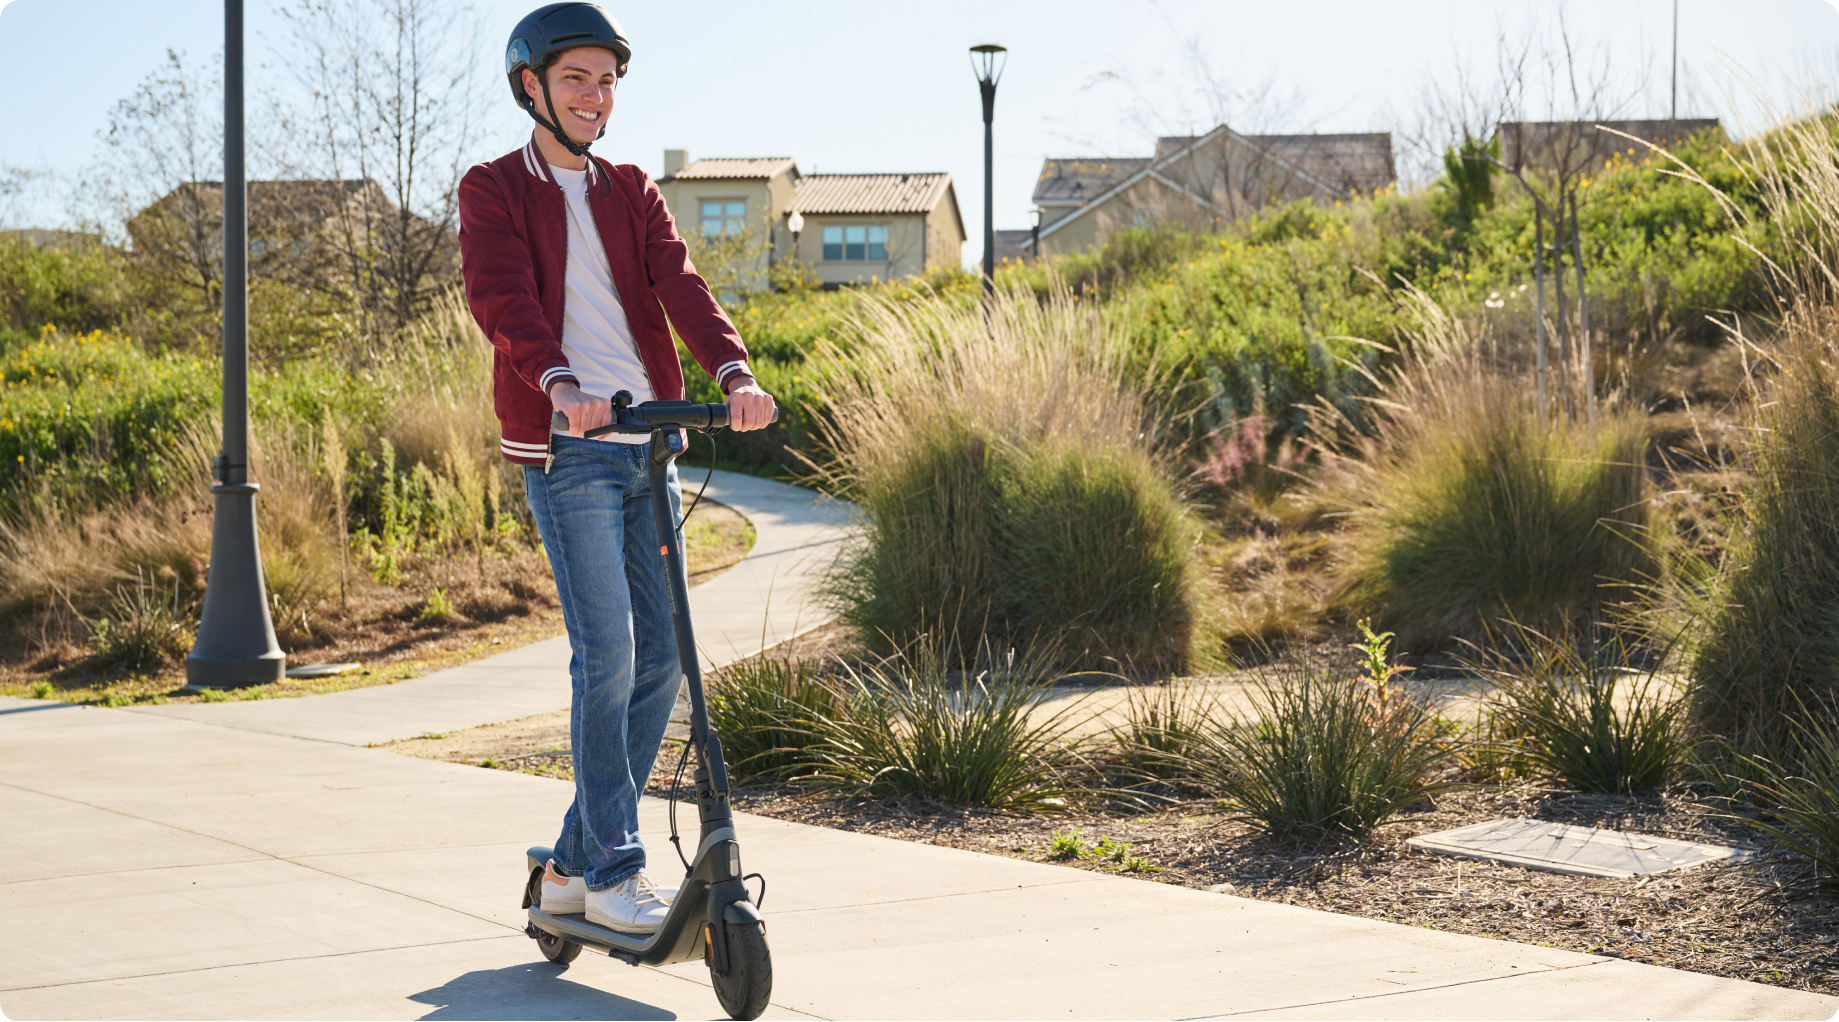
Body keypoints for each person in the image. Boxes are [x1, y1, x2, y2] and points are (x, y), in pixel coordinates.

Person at [457, 2, 775, 934]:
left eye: (606, 81)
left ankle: (564, 864)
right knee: (609, 658)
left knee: (664, 662)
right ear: (531, 88)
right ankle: (610, 866)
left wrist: (733, 371)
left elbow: (680, 281)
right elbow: (500, 298)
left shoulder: (631, 187)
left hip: (649, 454)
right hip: (570, 452)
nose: (595, 97)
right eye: (575, 80)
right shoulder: (492, 188)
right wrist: (558, 383)